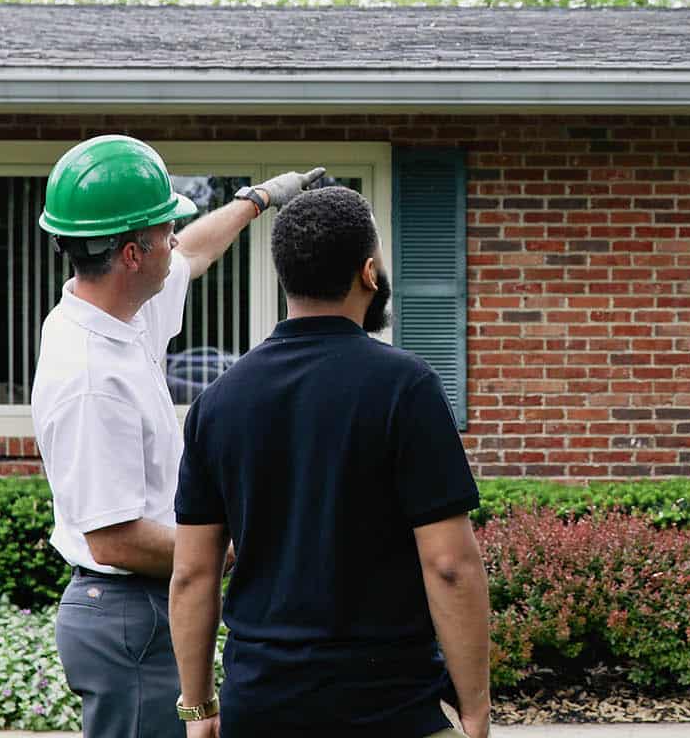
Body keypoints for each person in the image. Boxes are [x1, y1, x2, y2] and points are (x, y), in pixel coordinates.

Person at [31, 134, 325, 738]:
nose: (175, 240)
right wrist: (242, 551)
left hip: (143, 611)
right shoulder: (92, 377)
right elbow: (113, 539)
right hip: (126, 618)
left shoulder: (121, 310)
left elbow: (192, 253)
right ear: (133, 254)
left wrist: (257, 199)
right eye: (164, 230)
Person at [168, 186, 489, 738]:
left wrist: (199, 709)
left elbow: (192, 575)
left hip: (261, 708)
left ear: (285, 278)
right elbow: (450, 566)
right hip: (389, 708)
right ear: (369, 274)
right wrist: (476, 709)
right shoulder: (406, 388)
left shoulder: (217, 403)